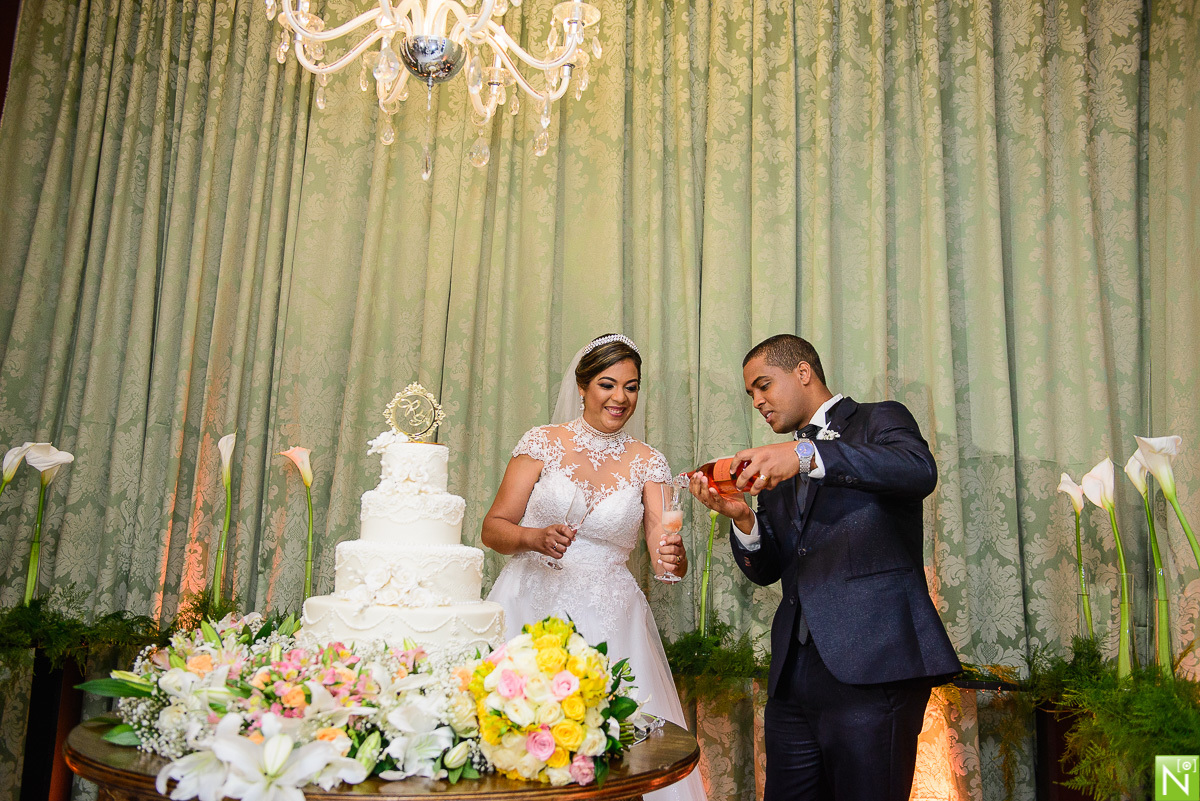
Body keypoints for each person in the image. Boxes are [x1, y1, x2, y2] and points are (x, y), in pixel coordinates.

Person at [689, 334, 960, 801]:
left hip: (875, 665)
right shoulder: (777, 464)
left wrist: (806, 457)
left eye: (763, 386)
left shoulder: (879, 418)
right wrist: (744, 518)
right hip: (793, 679)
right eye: (750, 394)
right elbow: (768, 568)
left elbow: (918, 471)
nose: (757, 401)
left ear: (802, 372)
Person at [483, 333, 707, 801]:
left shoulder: (649, 462)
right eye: (608, 384)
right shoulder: (541, 443)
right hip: (529, 603)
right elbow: (493, 528)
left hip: (610, 616)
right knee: (517, 740)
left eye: (631, 387)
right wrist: (533, 537)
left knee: (611, 756)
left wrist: (675, 559)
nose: (620, 398)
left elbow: (663, 547)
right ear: (582, 387)